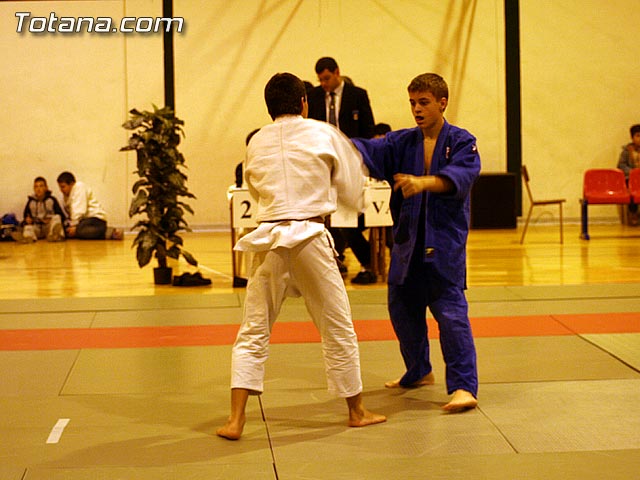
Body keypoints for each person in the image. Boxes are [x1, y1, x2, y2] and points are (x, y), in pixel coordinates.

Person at [216, 72, 386, 440]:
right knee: (337, 325)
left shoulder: (256, 140)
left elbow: (254, 186)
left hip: (269, 240)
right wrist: (343, 199)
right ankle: (356, 411)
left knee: (253, 329)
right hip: (310, 236)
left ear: (269, 107)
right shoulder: (322, 132)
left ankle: (235, 420)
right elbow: (353, 184)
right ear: (305, 102)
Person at [351, 73, 480, 412]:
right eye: (412, 103)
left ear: (442, 102)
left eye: (423, 102)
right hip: (408, 245)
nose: (417, 109)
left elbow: (464, 177)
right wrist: (330, 139)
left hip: (444, 245)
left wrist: (424, 183)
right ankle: (419, 370)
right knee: (402, 310)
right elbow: (368, 148)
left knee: (451, 316)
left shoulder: (462, 141)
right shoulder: (402, 142)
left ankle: (465, 387)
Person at [308, 57, 377, 283]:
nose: (324, 83)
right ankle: (340, 257)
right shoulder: (316, 97)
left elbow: (368, 129)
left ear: (337, 72)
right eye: (320, 80)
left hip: (353, 160)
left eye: (327, 78)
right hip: (324, 163)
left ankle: (365, 259)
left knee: (346, 214)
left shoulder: (357, 95)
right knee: (330, 213)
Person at [57, 171, 123, 240]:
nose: (61, 190)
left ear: (72, 184)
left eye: (63, 187)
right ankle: (104, 233)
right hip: (82, 222)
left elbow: (79, 211)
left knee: (80, 230)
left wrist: (74, 227)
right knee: (69, 231)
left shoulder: (79, 187)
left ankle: (111, 232)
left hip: (94, 219)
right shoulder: (65, 197)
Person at [16, 176, 66, 242]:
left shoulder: (52, 200)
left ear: (46, 188)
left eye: (41, 186)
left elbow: (61, 215)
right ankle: (28, 238)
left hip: (48, 227)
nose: (38, 189)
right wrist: (28, 220)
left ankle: (56, 235)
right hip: (36, 227)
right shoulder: (31, 201)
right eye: (36, 187)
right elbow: (26, 215)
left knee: (57, 217)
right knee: (28, 227)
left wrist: (49, 219)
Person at [617, 123, 640, 225]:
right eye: (638, 136)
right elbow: (621, 165)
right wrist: (632, 172)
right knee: (631, 190)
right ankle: (633, 213)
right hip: (631, 179)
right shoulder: (626, 151)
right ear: (632, 137)